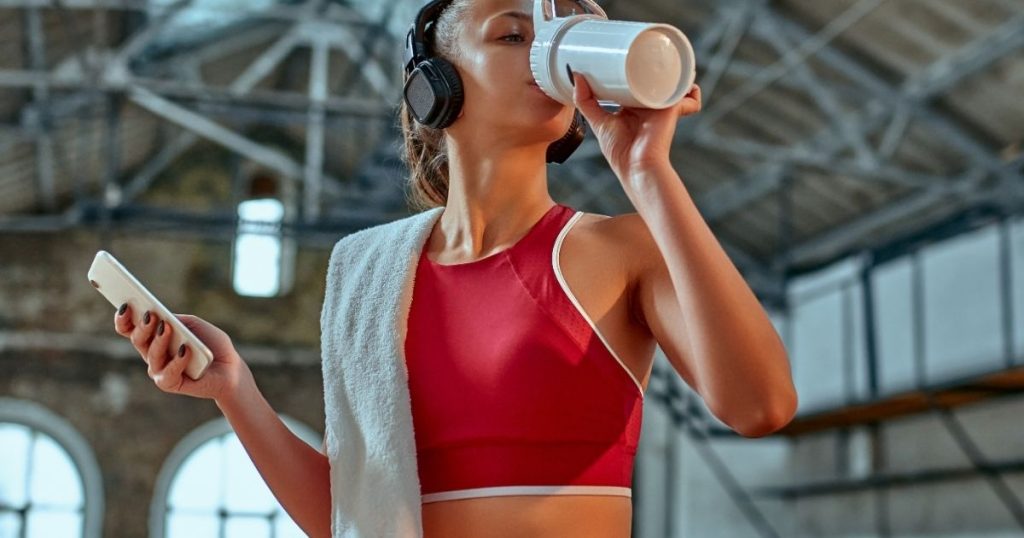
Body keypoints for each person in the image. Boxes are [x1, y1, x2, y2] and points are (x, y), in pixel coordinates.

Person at [113, 0, 798, 536]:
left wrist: (648, 172)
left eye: (556, 35)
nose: (546, 53)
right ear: (436, 86)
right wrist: (236, 390)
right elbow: (348, 519)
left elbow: (760, 405)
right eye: (512, 35)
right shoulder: (366, 273)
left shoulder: (622, 250)